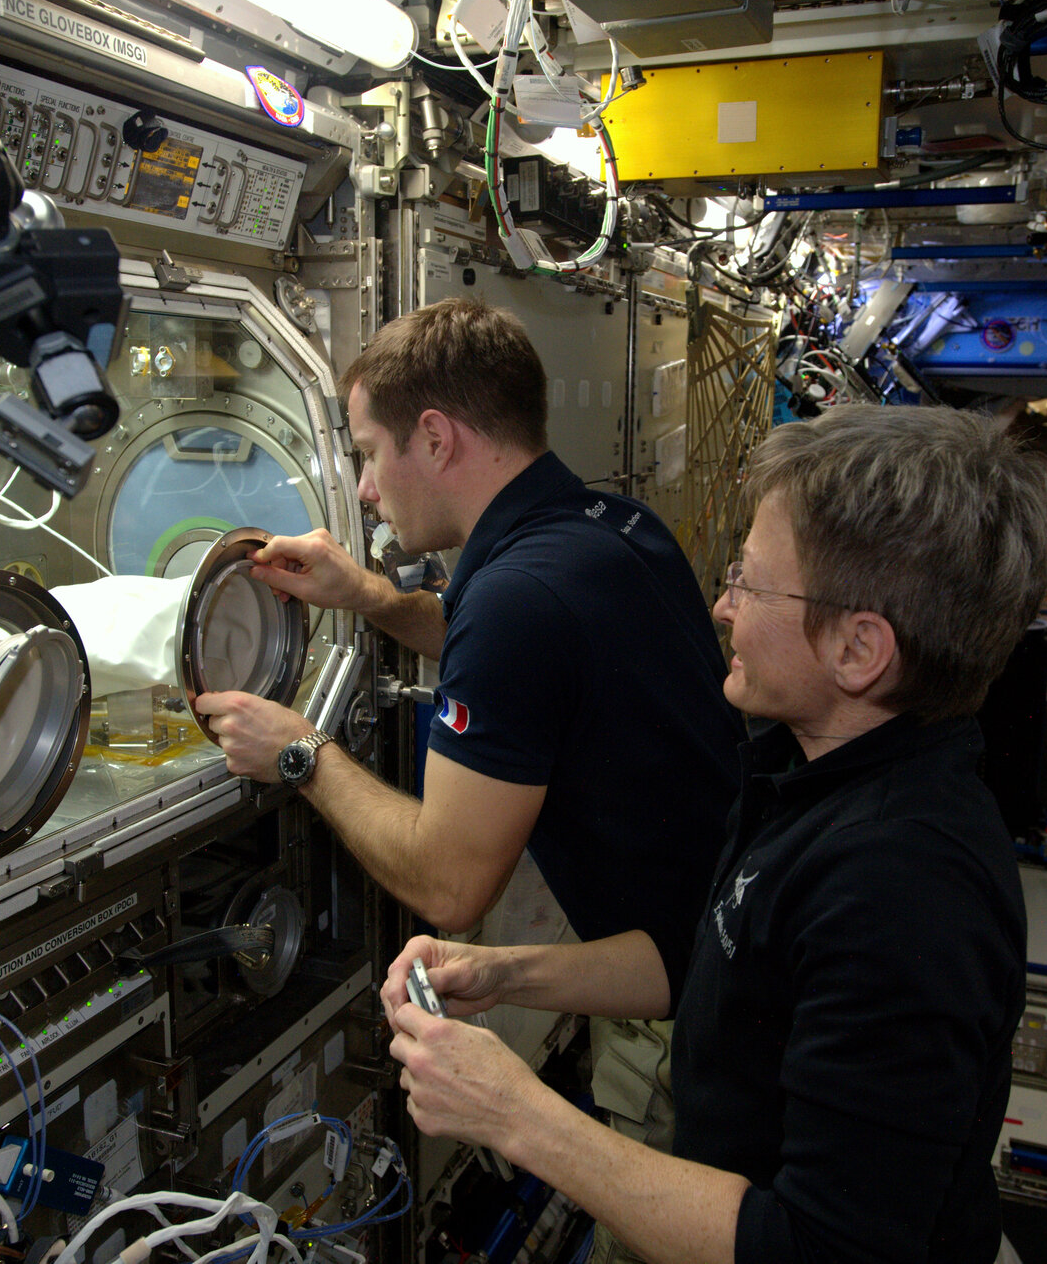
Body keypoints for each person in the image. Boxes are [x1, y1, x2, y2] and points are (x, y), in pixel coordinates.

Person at [381, 405, 1047, 1264]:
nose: (720, 607)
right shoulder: (808, 770)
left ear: (860, 650)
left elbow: (818, 1248)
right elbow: (711, 963)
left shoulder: (902, 888)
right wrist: (506, 973)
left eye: (749, 581)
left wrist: (514, 1111)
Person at [193, 298, 742, 1119]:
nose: (369, 491)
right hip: (712, 954)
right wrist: (370, 596)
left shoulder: (517, 597)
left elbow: (450, 886)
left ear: (438, 437)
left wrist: (301, 752)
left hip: (685, 1031)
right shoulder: (612, 526)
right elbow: (520, 667)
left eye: (373, 455)